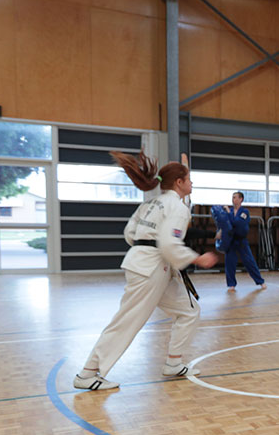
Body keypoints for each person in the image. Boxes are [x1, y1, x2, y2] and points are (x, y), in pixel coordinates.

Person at [74, 152, 220, 390]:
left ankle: (174, 362)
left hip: (146, 263)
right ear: (179, 183)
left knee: (188, 311)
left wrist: (150, 250)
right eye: (189, 178)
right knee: (127, 321)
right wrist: (197, 259)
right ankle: (88, 373)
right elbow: (169, 243)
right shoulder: (176, 207)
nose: (192, 183)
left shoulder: (152, 203)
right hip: (151, 268)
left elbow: (129, 234)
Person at [214, 191, 265, 291]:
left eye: (236, 197)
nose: (234, 200)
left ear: (241, 199)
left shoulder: (245, 212)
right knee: (229, 262)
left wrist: (229, 213)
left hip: (241, 240)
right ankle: (231, 284)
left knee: (249, 261)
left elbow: (237, 223)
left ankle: (260, 281)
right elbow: (225, 224)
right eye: (233, 197)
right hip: (230, 240)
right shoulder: (229, 211)